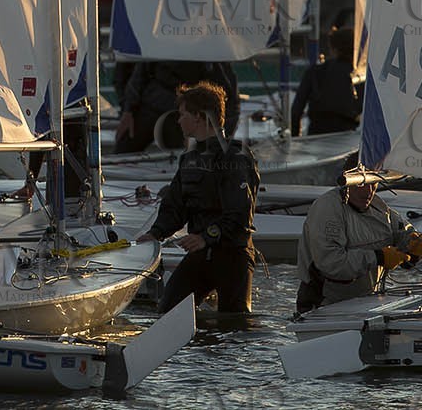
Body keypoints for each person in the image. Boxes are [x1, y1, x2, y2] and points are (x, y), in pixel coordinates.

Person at [135, 82, 260, 315]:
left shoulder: (236, 157)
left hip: (233, 256)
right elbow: (175, 206)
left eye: (183, 114)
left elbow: (241, 214)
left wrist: (206, 237)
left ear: (200, 117)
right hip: (201, 256)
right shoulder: (189, 159)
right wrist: (155, 233)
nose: (178, 120)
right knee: (167, 313)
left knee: (234, 324)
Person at [295, 170, 422, 314]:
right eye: (360, 184)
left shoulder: (380, 208)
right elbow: (331, 263)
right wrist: (378, 257)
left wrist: (416, 248)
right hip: (323, 306)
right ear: (346, 183)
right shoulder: (328, 208)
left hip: (368, 304)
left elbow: (403, 235)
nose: (368, 192)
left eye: (373, 184)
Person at [116, 60, 240, 154]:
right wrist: (127, 111)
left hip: (187, 110)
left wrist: (222, 138)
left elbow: (229, 96)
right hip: (151, 107)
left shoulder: (209, 53)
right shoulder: (157, 41)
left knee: (184, 154)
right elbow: (139, 75)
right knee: (123, 146)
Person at [291, 27, 361, 136]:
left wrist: (295, 139)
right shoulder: (360, 76)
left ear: (333, 48)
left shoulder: (315, 71)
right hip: (348, 136)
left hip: (317, 134)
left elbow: (296, 111)